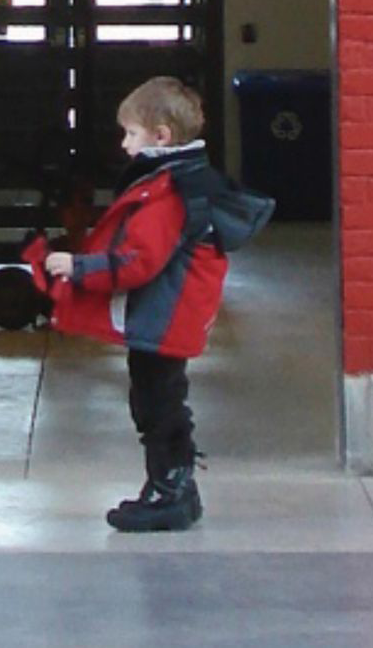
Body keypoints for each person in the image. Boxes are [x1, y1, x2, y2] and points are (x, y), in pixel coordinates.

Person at [27, 76, 239, 532]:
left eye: (130, 134)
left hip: (164, 318)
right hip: (170, 314)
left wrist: (79, 267)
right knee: (163, 399)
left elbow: (139, 263)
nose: (124, 146)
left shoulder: (166, 194)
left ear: (160, 136)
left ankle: (169, 493)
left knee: (157, 402)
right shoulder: (181, 180)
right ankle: (174, 487)